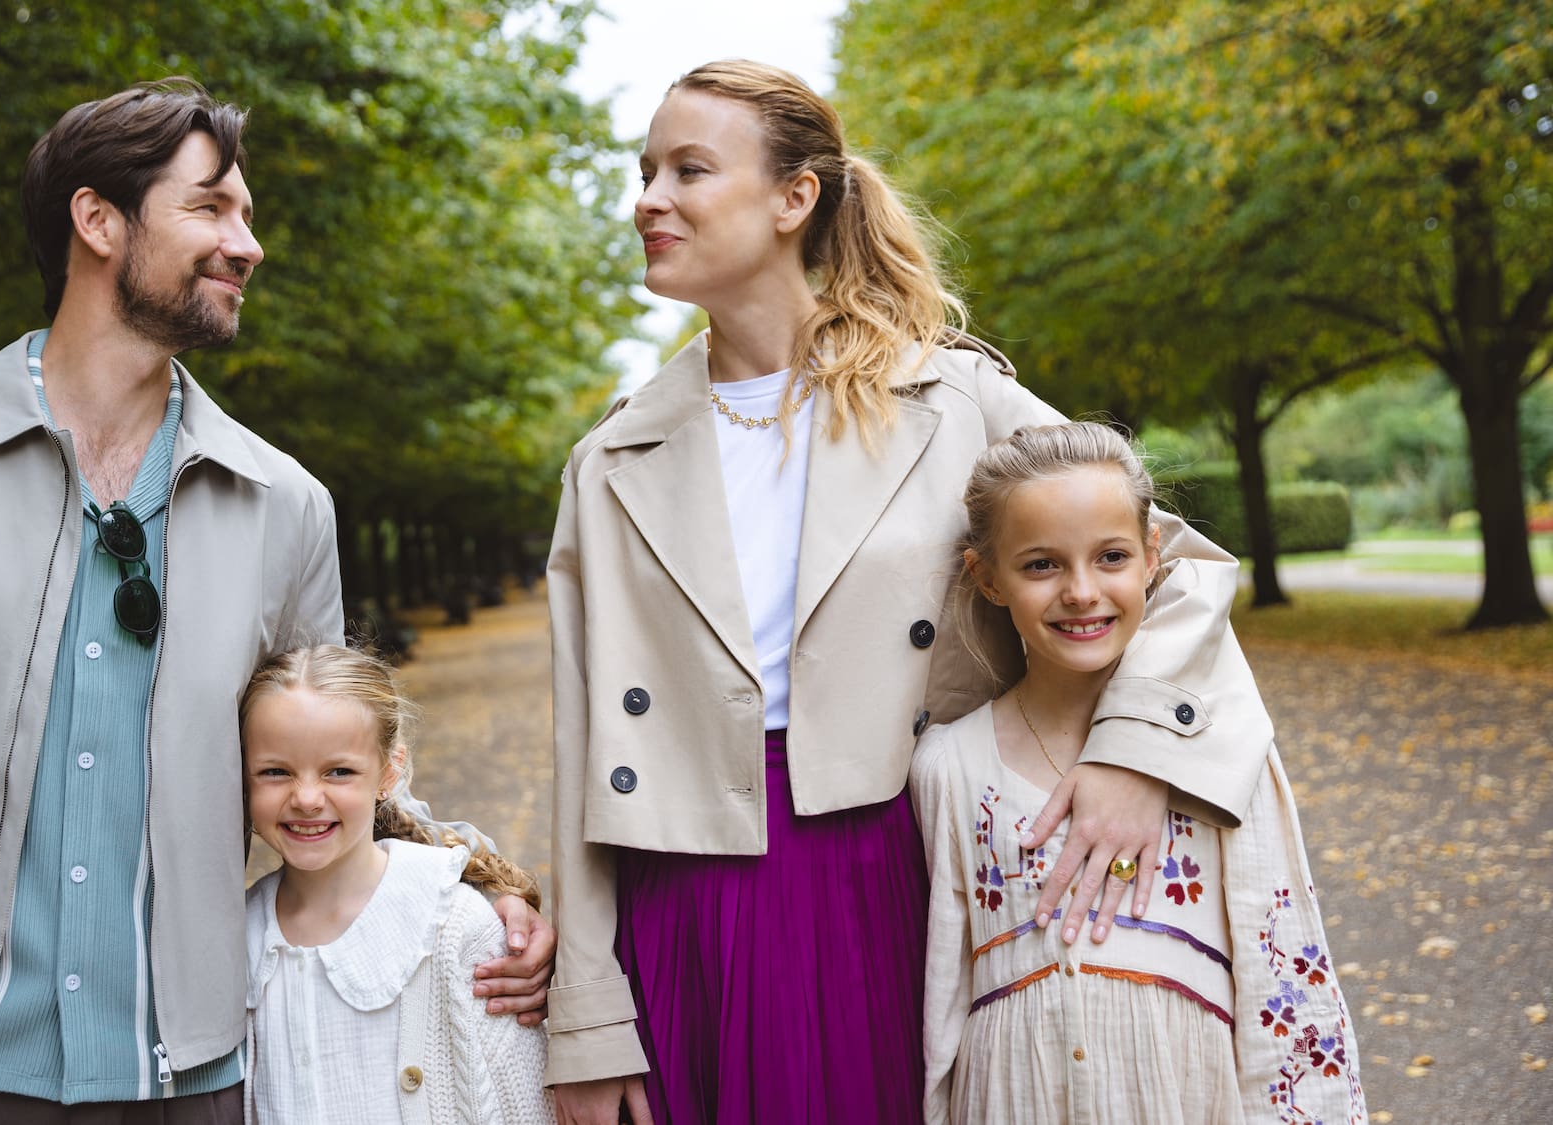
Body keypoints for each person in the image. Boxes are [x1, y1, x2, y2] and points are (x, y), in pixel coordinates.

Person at [0, 77, 551, 1124]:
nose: (246, 244)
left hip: (192, 1080)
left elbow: (329, 769)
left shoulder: (286, 504)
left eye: (245, 214)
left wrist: (480, 887)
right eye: (211, 206)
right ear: (97, 220)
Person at [543, 60, 1275, 1124]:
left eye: (686, 170)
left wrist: (1132, 752)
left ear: (795, 198)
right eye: (643, 170)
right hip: (685, 901)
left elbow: (1174, 567)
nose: (647, 199)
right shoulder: (610, 458)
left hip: (903, 869)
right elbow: (582, 748)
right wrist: (587, 1015)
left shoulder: (950, 398)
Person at [913, 422, 1364, 1123]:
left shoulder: (1224, 751)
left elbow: (1285, 983)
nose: (1081, 591)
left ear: (1154, 556)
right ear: (987, 577)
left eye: (1112, 556)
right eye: (1041, 565)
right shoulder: (948, 765)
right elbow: (941, 994)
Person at [238, 645, 555, 1124]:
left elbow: (525, 1104)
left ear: (389, 771)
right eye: (275, 772)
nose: (305, 798)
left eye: (338, 771)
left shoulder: (455, 927)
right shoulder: (241, 941)